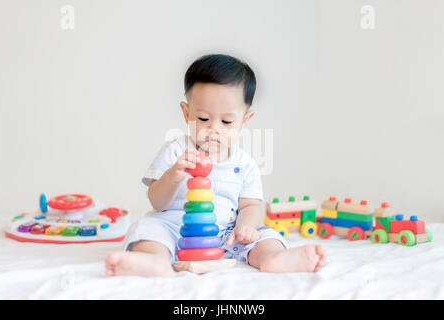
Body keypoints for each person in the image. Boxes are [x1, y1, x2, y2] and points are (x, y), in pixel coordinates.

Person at [105, 54, 326, 277]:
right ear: (186, 112)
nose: (214, 128)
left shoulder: (245, 164)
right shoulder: (176, 151)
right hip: (175, 228)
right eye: (202, 119)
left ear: (244, 120)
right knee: (147, 230)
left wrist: (245, 227)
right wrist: (173, 176)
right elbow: (157, 201)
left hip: (225, 235)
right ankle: (154, 260)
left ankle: (274, 258)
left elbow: (250, 206)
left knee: (266, 236)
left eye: (227, 122)